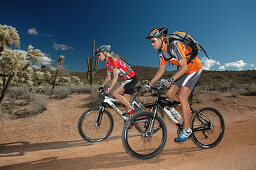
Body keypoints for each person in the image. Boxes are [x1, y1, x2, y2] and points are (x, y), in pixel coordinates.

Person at [146, 28, 203, 143]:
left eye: (153, 41)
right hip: (183, 71)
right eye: (151, 41)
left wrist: (170, 79)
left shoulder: (174, 45)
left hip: (194, 69)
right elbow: (161, 71)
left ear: (162, 38)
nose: (151, 44)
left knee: (182, 97)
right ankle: (186, 109)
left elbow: (184, 67)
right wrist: (150, 84)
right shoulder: (161, 53)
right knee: (169, 93)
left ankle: (187, 129)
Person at [96, 45, 137, 117]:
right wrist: (102, 86)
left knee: (115, 93)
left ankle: (132, 109)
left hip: (131, 79)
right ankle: (132, 120)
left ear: (105, 53)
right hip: (127, 80)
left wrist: (110, 89)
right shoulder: (107, 63)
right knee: (126, 103)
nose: (98, 57)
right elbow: (108, 77)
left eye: (99, 55)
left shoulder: (113, 60)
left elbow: (115, 77)